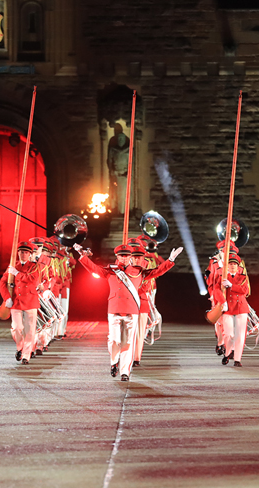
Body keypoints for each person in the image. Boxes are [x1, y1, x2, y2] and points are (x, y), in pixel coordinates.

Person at [74, 243, 182, 381]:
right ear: (117, 256)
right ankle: (114, 362)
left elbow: (157, 271)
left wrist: (170, 260)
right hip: (114, 309)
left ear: (130, 257)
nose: (124, 258)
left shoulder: (138, 271)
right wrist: (82, 256)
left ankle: (125, 371)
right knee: (114, 340)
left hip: (132, 309)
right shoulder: (111, 270)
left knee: (129, 342)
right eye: (121, 256)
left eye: (127, 256)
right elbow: (94, 268)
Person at [0, 241, 42, 364]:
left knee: (30, 330)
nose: (23, 254)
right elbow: (2, 283)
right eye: (21, 252)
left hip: (30, 301)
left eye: (26, 252)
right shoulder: (13, 266)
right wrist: (7, 298)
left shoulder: (34, 266)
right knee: (16, 328)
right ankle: (21, 347)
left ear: (30, 254)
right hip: (16, 301)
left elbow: (32, 281)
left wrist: (17, 274)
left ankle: (26, 355)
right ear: (17, 253)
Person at [213, 254, 250, 366]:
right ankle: (228, 353)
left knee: (240, 335)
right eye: (230, 264)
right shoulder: (222, 277)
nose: (233, 266)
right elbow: (216, 290)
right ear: (227, 266)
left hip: (241, 307)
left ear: (238, 267)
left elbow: (245, 290)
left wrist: (231, 286)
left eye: (235, 264)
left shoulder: (243, 277)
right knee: (228, 334)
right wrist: (223, 301)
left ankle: (238, 359)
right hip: (228, 307)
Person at [107, 123, 131, 214]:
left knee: (123, 195)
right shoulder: (113, 148)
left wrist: (127, 173)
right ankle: (115, 210)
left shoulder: (128, 150)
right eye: (119, 139)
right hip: (115, 174)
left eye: (122, 139)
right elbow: (109, 160)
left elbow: (132, 163)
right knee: (114, 194)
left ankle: (122, 212)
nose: (120, 140)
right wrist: (112, 171)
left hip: (124, 175)